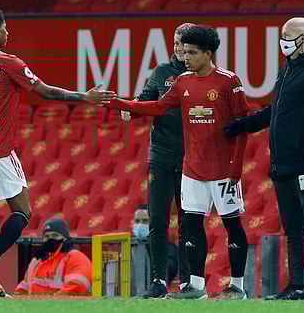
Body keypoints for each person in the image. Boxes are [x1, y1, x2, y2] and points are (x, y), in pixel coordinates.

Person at [0, 6, 115, 298]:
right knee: (23, 212)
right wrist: (83, 97)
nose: (8, 32)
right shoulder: (8, 62)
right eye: (6, 27)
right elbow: (45, 91)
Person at [107, 25, 250, 300]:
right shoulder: (181, 80)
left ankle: (238, 287)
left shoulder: (228, 81)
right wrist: (120, 104)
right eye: (183, 51)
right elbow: (158, 106)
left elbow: (243, 125)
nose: (185, 56)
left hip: (222, 169)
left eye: (191, 52)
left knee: (232, 225)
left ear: (207, 54)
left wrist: (236, 168)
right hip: (191, 169)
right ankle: (195, 286)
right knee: (191, 225)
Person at [224, 17, 304, 300]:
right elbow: (274, 112)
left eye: (289, 35)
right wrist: (242, 125)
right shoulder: (287, 68)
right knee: (293, 229)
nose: (283, 40)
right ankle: (296, 286)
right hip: (283, 165)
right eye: (283, 34)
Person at [122, 23, 193, 298]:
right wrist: (129, 108)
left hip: (191, 159)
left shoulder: (201, 74)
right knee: (158, 220)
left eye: (184, 45)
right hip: (161, 156)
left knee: (189, 221)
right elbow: (144, 101)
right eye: (175, 43)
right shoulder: (162, 72)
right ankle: (158, 281)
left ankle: (189, 281)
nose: (179, 50)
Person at [14, 218, 92, 295]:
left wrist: (51, 302)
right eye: (46, 236)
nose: (50, 239)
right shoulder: (36, 261)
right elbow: (23, 288)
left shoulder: (75, 258)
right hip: (38, 306)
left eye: (55, 235)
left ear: (65, 238)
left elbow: (76, 287)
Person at [132, 205, 179, 286]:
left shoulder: (168, 246)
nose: (140, 225)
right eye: (137, 221)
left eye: (145, 221)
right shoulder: (128, 244)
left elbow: (170, 271)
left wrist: (152, 247)